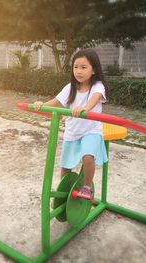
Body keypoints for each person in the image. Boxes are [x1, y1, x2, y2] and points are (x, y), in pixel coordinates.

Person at [34, 48, 108, 200]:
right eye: (75, 67)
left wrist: (85, 108)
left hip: (91, 131)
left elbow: (94, 99)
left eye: (83, 67)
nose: (78, 71)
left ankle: (87, 187)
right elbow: (54, 103)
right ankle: (62, 194)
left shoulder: (97, 86)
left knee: (88, 157)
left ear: (93, 70)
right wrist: (41, 105)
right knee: (66, 166)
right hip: (72, 133)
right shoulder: (70, 88)